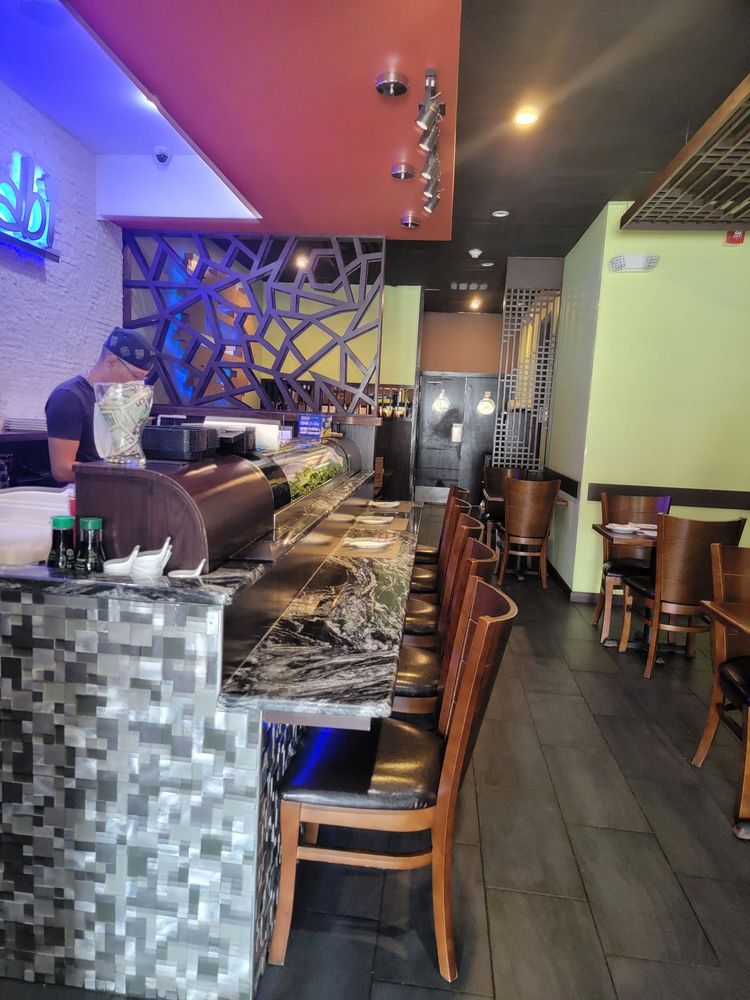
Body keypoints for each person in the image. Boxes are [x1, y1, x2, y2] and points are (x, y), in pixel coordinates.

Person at [45, 327, 155, 483]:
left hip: (118, 487)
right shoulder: (68, 398)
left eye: (142, 379)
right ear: (112, 361)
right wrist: (116, 476)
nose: (138, 384)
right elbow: (62, 470)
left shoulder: (119, 398)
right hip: (85, 492)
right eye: (136, 376)